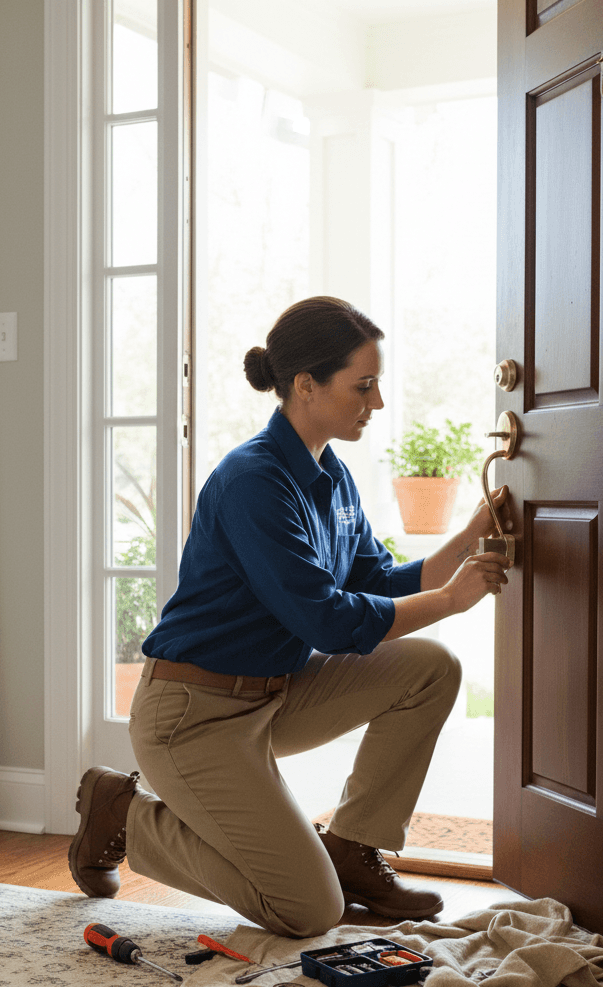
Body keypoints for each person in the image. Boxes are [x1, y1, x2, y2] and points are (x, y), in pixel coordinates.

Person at [69, 296, 512, 938]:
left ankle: (352, 850)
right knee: (307, 910)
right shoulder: (254, 480)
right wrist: (449, 602)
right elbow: (330, 624)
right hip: (192, 717)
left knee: (430, 668)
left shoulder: (331, 475)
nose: (377, 402)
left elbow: (379, 581)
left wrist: (471, 533)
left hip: (273, 699)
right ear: (306, 384)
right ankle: (125, 815)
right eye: (363, 386)